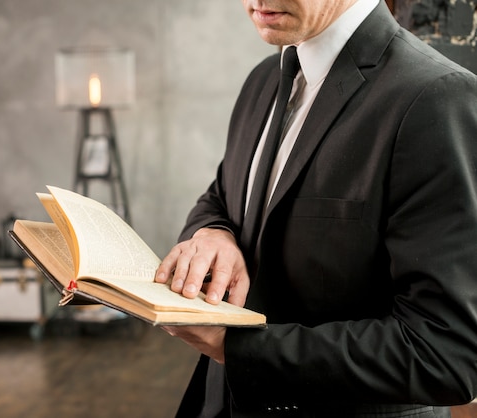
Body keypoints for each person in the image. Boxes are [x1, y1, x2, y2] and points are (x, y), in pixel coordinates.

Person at [154, 0, 477, 417]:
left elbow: (446, 355)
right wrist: (214, 233)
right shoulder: (264, 78)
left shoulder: (435, 96)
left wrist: (237, 347)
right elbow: (223, 194)